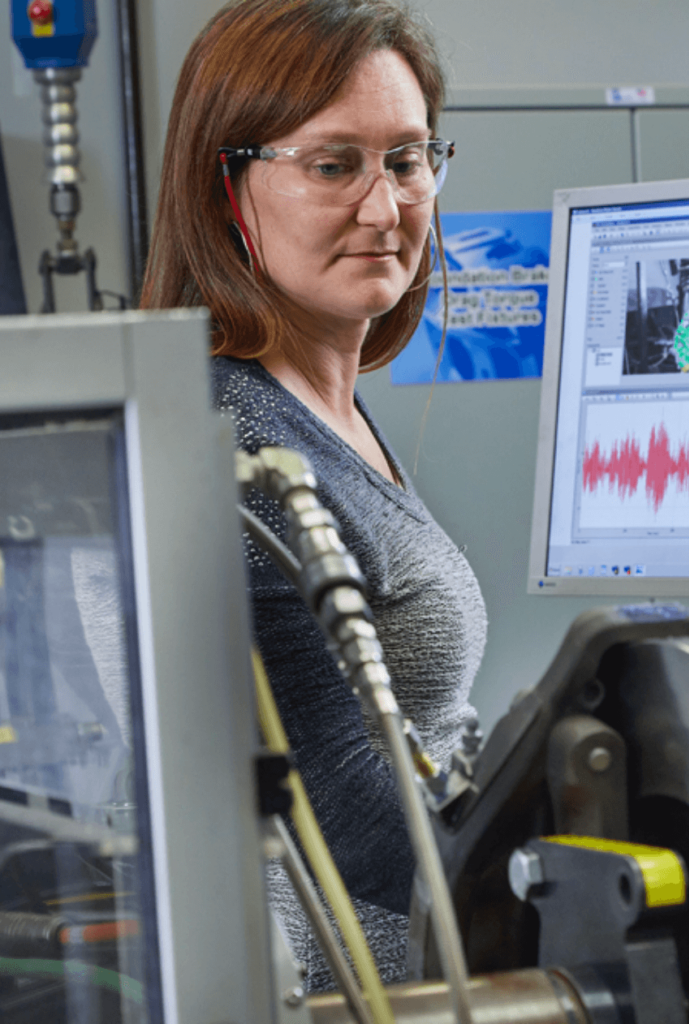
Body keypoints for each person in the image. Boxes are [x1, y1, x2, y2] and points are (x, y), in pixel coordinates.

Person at [140, 0, 487, 992]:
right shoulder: (226, 440)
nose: (385, 208)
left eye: (409, 160)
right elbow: (340, 810)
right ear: (226, 186)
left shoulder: (317, 413)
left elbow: (424, 746)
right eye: (334, 165)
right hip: (352, 991)